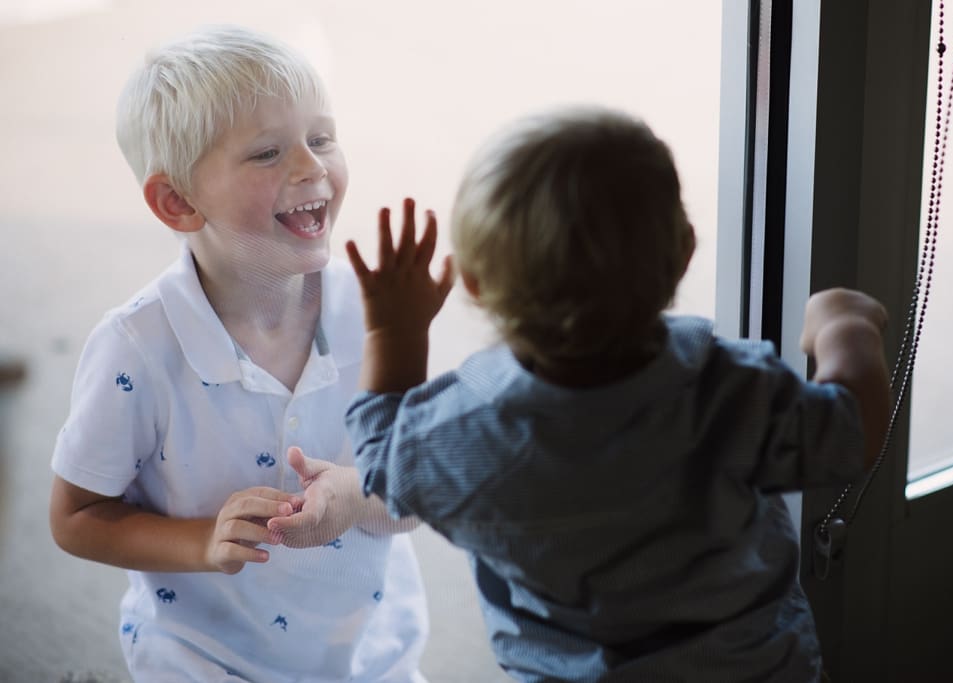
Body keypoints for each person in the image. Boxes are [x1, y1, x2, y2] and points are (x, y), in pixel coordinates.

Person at [270, 106, 891, 682]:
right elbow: (852, 433)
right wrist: (846, 327)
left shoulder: (465, 435)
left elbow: (383, 463)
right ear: (684, 254)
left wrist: (397, 331)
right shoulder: (729, 390)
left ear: (476, 285)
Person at [49, 25, 429, 682]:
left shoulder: (374, 313)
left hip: (371, 654)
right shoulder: (136, 348)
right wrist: (204, 541)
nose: (311, 167)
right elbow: (76, 517)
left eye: (321, 139)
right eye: (268, 152)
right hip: (202, 658)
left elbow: (424, 489)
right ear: (178, 201)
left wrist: (355, 493)